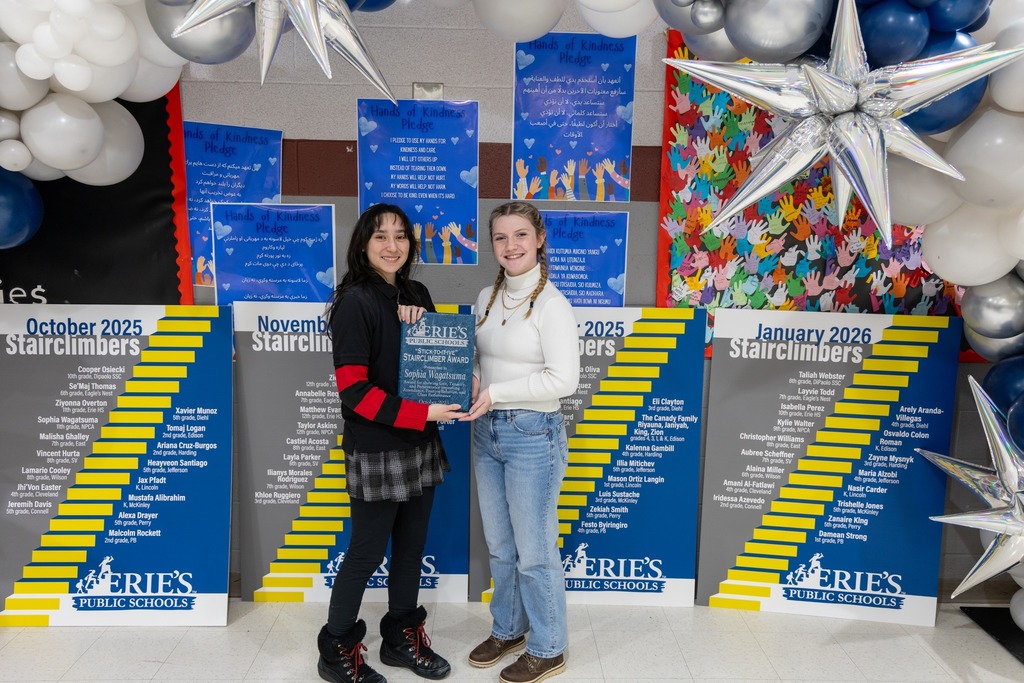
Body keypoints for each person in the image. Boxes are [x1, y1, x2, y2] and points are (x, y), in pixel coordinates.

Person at [318, 204, 464, 683]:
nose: (392, 245)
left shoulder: (416, 291)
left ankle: (401, 636)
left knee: (410, 546)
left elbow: (440, 363)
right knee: (365, 551)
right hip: (378, 446)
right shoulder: (352, 302)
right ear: (363, 244)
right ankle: (336, 649)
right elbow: (355, 392)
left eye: (401, 236)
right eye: (381, 236)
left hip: (420, 442)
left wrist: (420, 322)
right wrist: (423, 412)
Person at [462, 201, 580, 683]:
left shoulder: (552, 304)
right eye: (500, 238)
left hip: (533, 434)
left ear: (539, 239)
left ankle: (549, 646)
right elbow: (479, 360)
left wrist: (495, 392)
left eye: (520, 236)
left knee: (534, 551)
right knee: (500, 546)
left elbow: (564, 380)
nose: (510, 246)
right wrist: (471, 381)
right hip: (486, 430)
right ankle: (509, 628)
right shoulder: (484, 298)